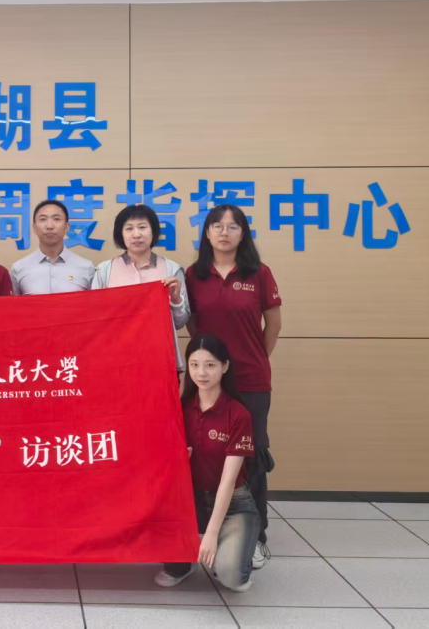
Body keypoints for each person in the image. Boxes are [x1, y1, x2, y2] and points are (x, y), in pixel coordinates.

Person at [185, 204, 281, 570]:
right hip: (206, 378)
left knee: (251, 456)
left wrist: (253, 359)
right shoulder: (194, 275)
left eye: (233, 226)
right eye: (217, 226)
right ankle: (208, 526)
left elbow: (273, 325)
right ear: (207, 233)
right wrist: (211, 364)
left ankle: (256, 538)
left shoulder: (259, 273)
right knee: (205, 450)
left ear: (244, 233)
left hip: (251, 379)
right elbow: (193, 324)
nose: (224, 232)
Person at [155, 333, 258, 593]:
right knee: (170, 562)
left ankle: (236, 549)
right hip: (190, 500)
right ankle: (185, 564)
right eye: (194, 364)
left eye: (210, 365)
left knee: (231, 577)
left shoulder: (238, 414)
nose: (201, 373)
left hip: (232, 502)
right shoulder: (179, 409)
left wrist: (211, 534)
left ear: (225, 367)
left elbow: (227, 482)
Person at [91, 204, 190, 373]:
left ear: (153, 232)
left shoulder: (172, 270)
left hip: (159, 359)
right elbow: (95, 319)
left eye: (142, 227)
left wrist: (175, 299)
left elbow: (180, 323)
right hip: (116, 361)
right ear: (121, 234)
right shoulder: (104, 271)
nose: (136, 234)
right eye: (129, 228)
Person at [10, 199, 96, 295]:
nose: (49, 226)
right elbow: (12, 304)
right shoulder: (18, 269)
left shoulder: (86, 268)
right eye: (43, 219)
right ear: (34, 228)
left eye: (56, 219)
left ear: (67, 227)